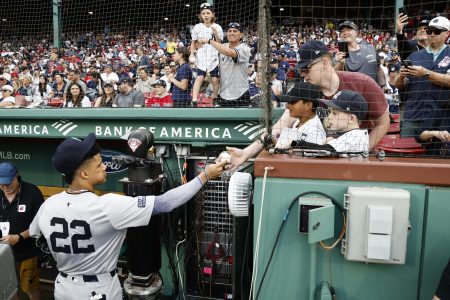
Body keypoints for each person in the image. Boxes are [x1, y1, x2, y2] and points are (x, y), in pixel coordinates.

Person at [29, 133, 226, 300]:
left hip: (63, 288)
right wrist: (204, 175)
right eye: (99, 165)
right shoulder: (106, 206)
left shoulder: (49, 205)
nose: (104, 167)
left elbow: (36, 236)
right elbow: (166, 203)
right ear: (84, 175)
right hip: (98, 290)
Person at [225, 40, 389, 171]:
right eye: (301, 70)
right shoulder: (308, 91)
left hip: (358, 164)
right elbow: (278, 127)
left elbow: (383, 122)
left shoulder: (362, 83)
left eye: (307, 69)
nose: (302, 74)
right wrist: (246, 152)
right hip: (320, 162)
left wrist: (361, 150)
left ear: (325, 63)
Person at [395, 16, 450, 138]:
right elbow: (400, 85)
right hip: (414, 115)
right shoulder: (414, 56)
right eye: (429, 31)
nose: (431, 34)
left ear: (447, 33)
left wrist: (426, 73)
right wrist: (401, 77)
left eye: (436, 31)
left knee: (439, 156)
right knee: (404, 155)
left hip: (442, 119)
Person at [0, 162, 44, 300]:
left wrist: (19, 237)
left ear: (17, 177)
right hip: (3, 252)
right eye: (1, 184)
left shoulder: (32, 192)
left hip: (27, 251)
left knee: (30, 288)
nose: (4, 187)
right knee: (8, 287)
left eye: (8, 183)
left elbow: (41, 224)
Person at [291, 90, 369, 155]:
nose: (329, 117)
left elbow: (324, 150)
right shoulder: (350, 134)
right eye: (329, 112)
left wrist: (295, 142)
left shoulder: (355, 136)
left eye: (334, 113)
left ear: (352, 118)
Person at [199, 22, 251, 107]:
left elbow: (229, 52)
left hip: (240, 95)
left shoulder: (245, 49)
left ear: (241, 35)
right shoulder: (223, 46)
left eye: (235, 31)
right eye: (229, 31)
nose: (232, 33)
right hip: (223, 95)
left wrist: (209, 41)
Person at [274, 81, 326, 149]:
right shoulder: (300, 122)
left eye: (292, 102)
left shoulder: (315, 132)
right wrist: (277, 142)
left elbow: (314, 157)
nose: (287, 106)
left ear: (308, 105)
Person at [334, 20, 384, 87]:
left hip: (373, 93)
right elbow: (334, 78)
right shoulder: (339, 56)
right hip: (352, 96)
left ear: (356, 32)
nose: (345, 33)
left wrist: (384, 86)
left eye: (348, 29)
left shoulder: (370, 47)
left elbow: (378, 68)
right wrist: (340, 63)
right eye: (342, 31)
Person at [190, 3, 223, 104]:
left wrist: (215, 33)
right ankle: (194, 100)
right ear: (201, 15)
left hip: (214, 57)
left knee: (214, 80)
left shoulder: (217, 27)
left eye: (208, 13)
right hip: (202, 57)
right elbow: (193, 42)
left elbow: (220, 42)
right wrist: (192, 53)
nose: (206, 15)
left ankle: (215, 98)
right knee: (199, 78)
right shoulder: (197, 27)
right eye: (203, 13)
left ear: (212, 14)